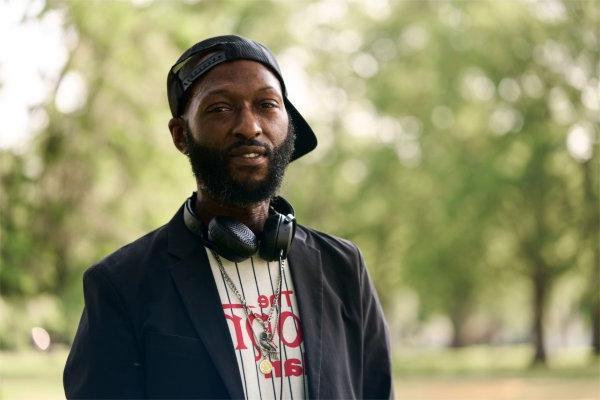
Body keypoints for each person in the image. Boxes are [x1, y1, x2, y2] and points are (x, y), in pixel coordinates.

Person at [63, 35, 393, 399]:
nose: (249, 127)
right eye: (220, 109)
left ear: (289, 124)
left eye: (267, 104)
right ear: (180, 136)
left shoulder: (344, 267)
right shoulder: (121, 284)